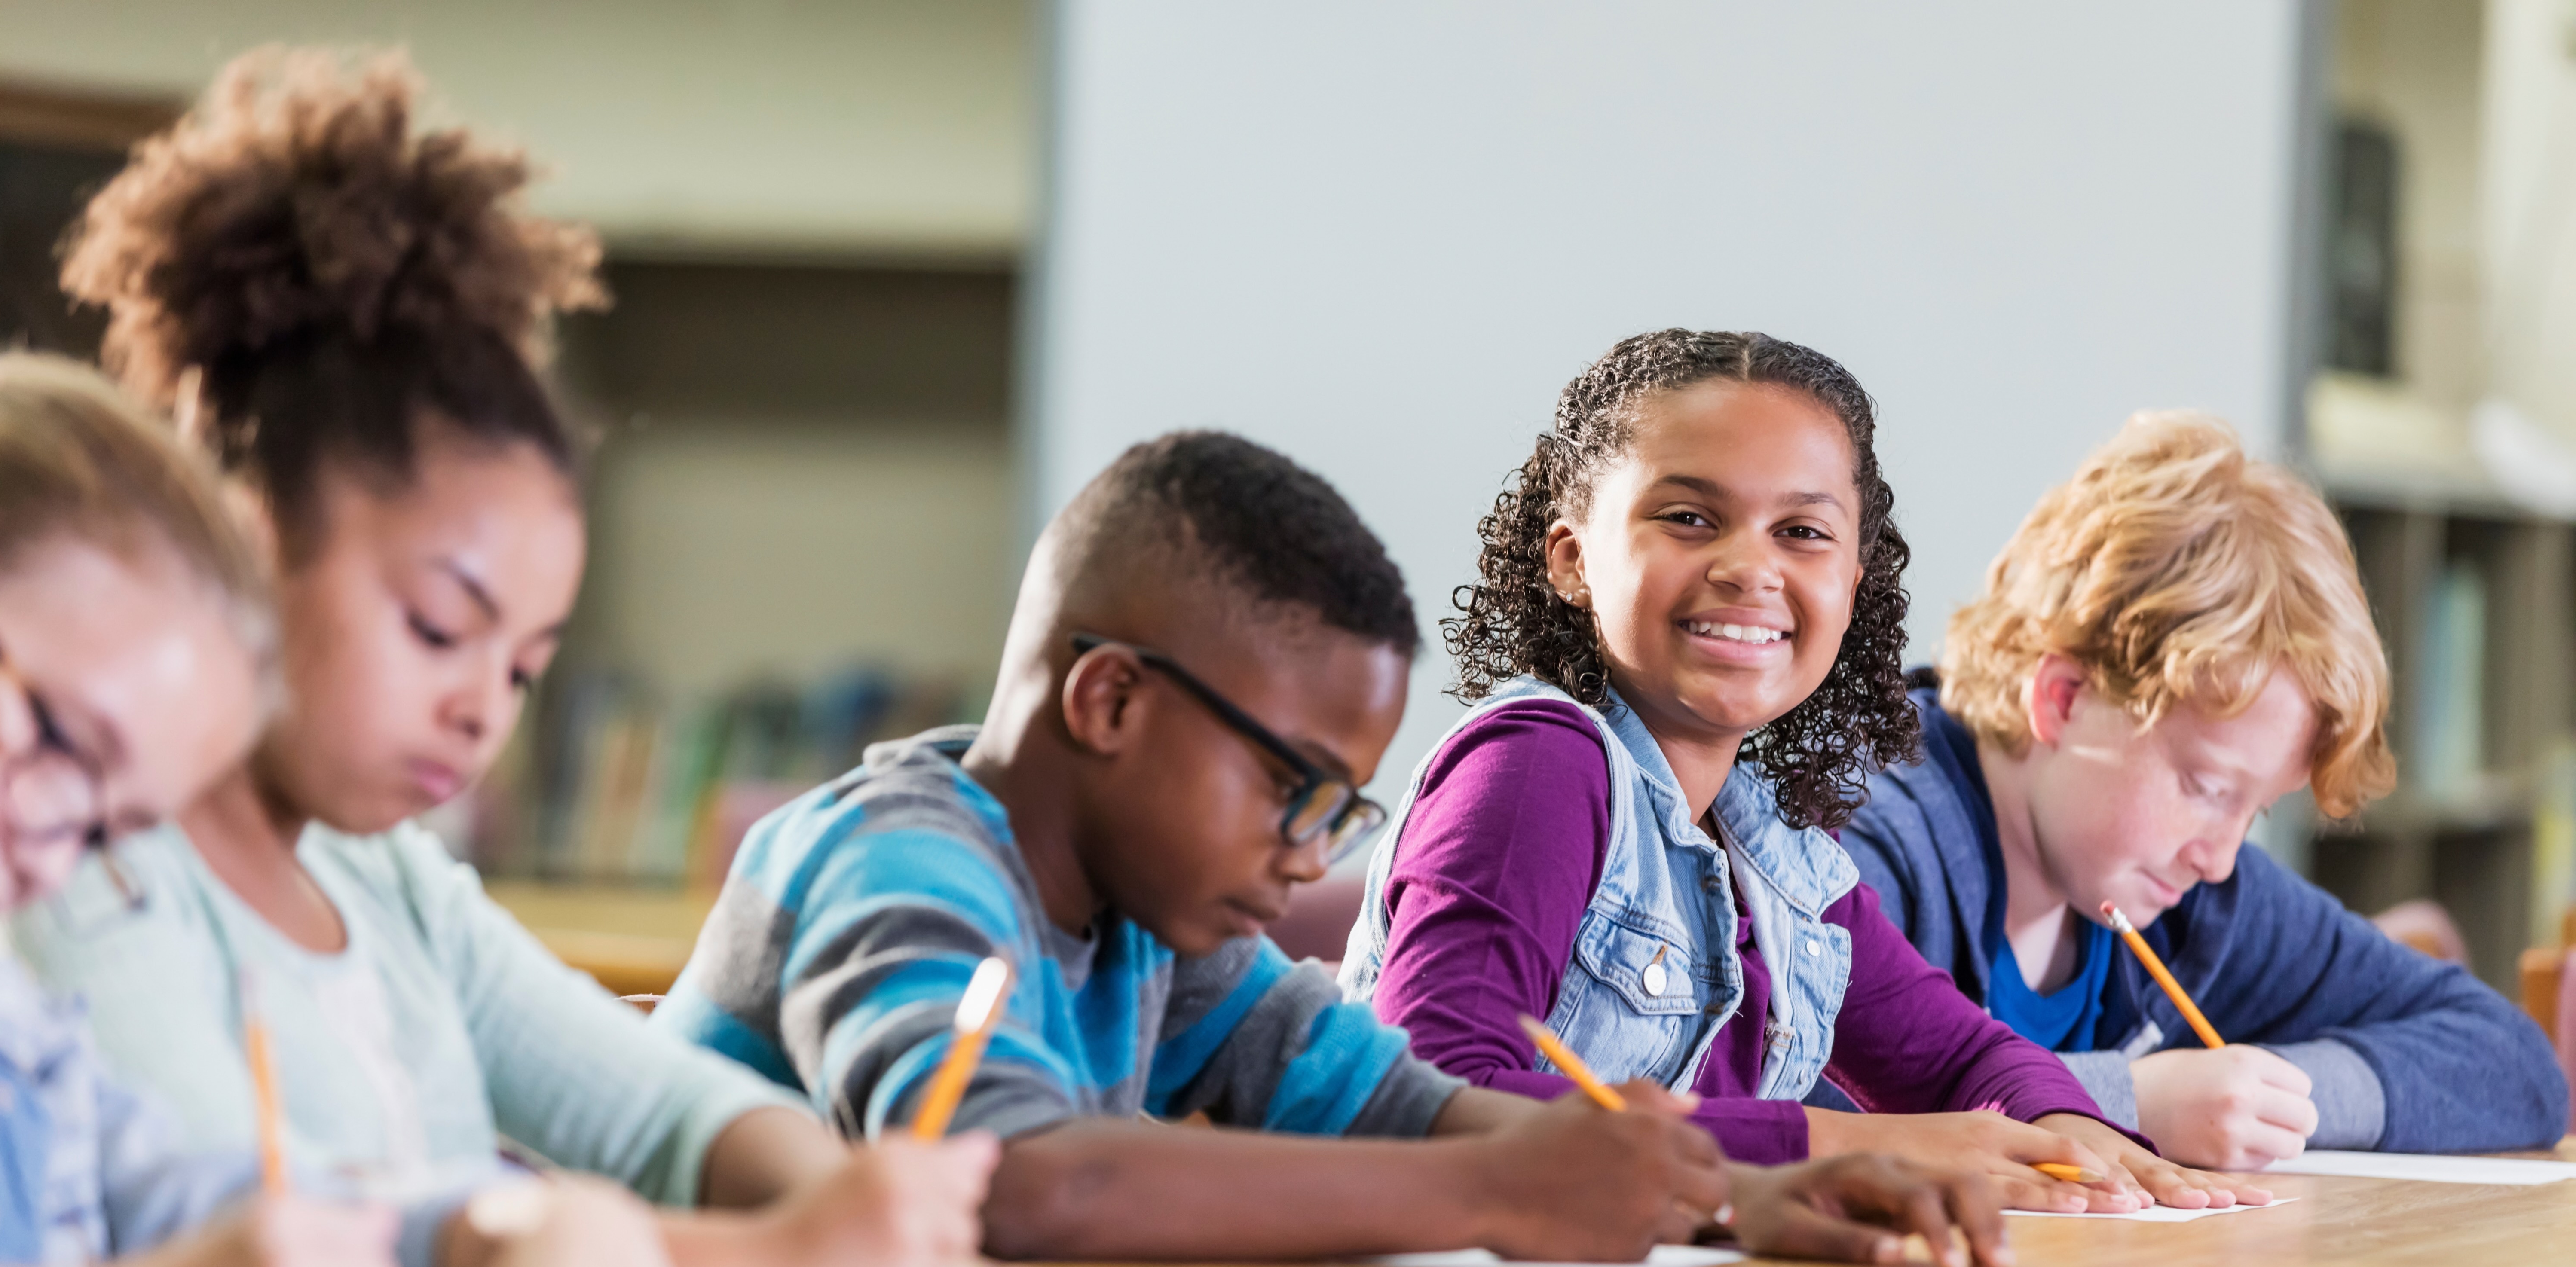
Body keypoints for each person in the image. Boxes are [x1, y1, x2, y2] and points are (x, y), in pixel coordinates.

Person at [14, 46, 991, 1266]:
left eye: (525, 666)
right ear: (250, 546)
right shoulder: (80, 860)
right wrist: (777, 1246)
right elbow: (259, 1227)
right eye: (437, 629)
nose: (484, 709)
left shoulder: (390, 885)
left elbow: (663, 1108)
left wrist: (850, 1203)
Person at [655, 430, 2013, 1267]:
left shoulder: (1156, 922)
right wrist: (1499, 1186)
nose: (1309, 860)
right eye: (1292, 789)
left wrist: (1735, 1194)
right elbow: (1018, 1183)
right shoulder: (900, 863)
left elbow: (1394, 1099)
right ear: (1111, 701)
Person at [1340, 330, 2269, 1214]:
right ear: (1574, 559)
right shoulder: (1539, 766)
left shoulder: (1773, 846)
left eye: (1803, 531)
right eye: (1689, 517)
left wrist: (2065, 1127)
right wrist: (1838, 1142)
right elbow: (1440, 1098)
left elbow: (1961, 1054)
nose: (1751, 567)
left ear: (1853, 583)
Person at [1839, 411, 2570, 1169]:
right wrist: (2127, 1103)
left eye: (2255, 809)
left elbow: (2516, 1065)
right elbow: (1781, 1109)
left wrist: (2276, 1097)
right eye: (2207, 785)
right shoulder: (1859, 838)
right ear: (2061, 698)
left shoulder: (2194, 899)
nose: (2221, 857)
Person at [0, 350, 395, 1266]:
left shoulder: (21, 1026)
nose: (53, 862)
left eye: (107, 833)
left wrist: (474, 1223)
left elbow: (174, 1176)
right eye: (62, 740)